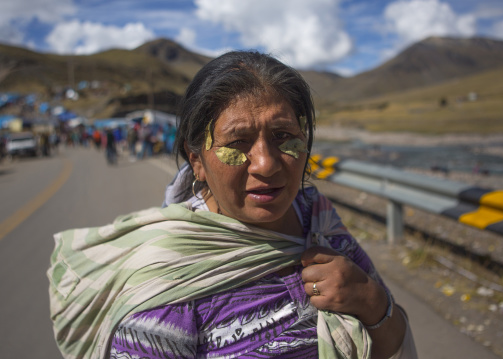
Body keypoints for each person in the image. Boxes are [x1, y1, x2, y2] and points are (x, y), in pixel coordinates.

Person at [48, 51, 416, 359]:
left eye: (284, 136)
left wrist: (373, 304)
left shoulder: (316, 216)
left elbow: (389, 334)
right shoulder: (164, 291)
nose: (266, 164)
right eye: (237, 142)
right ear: (196, 161)